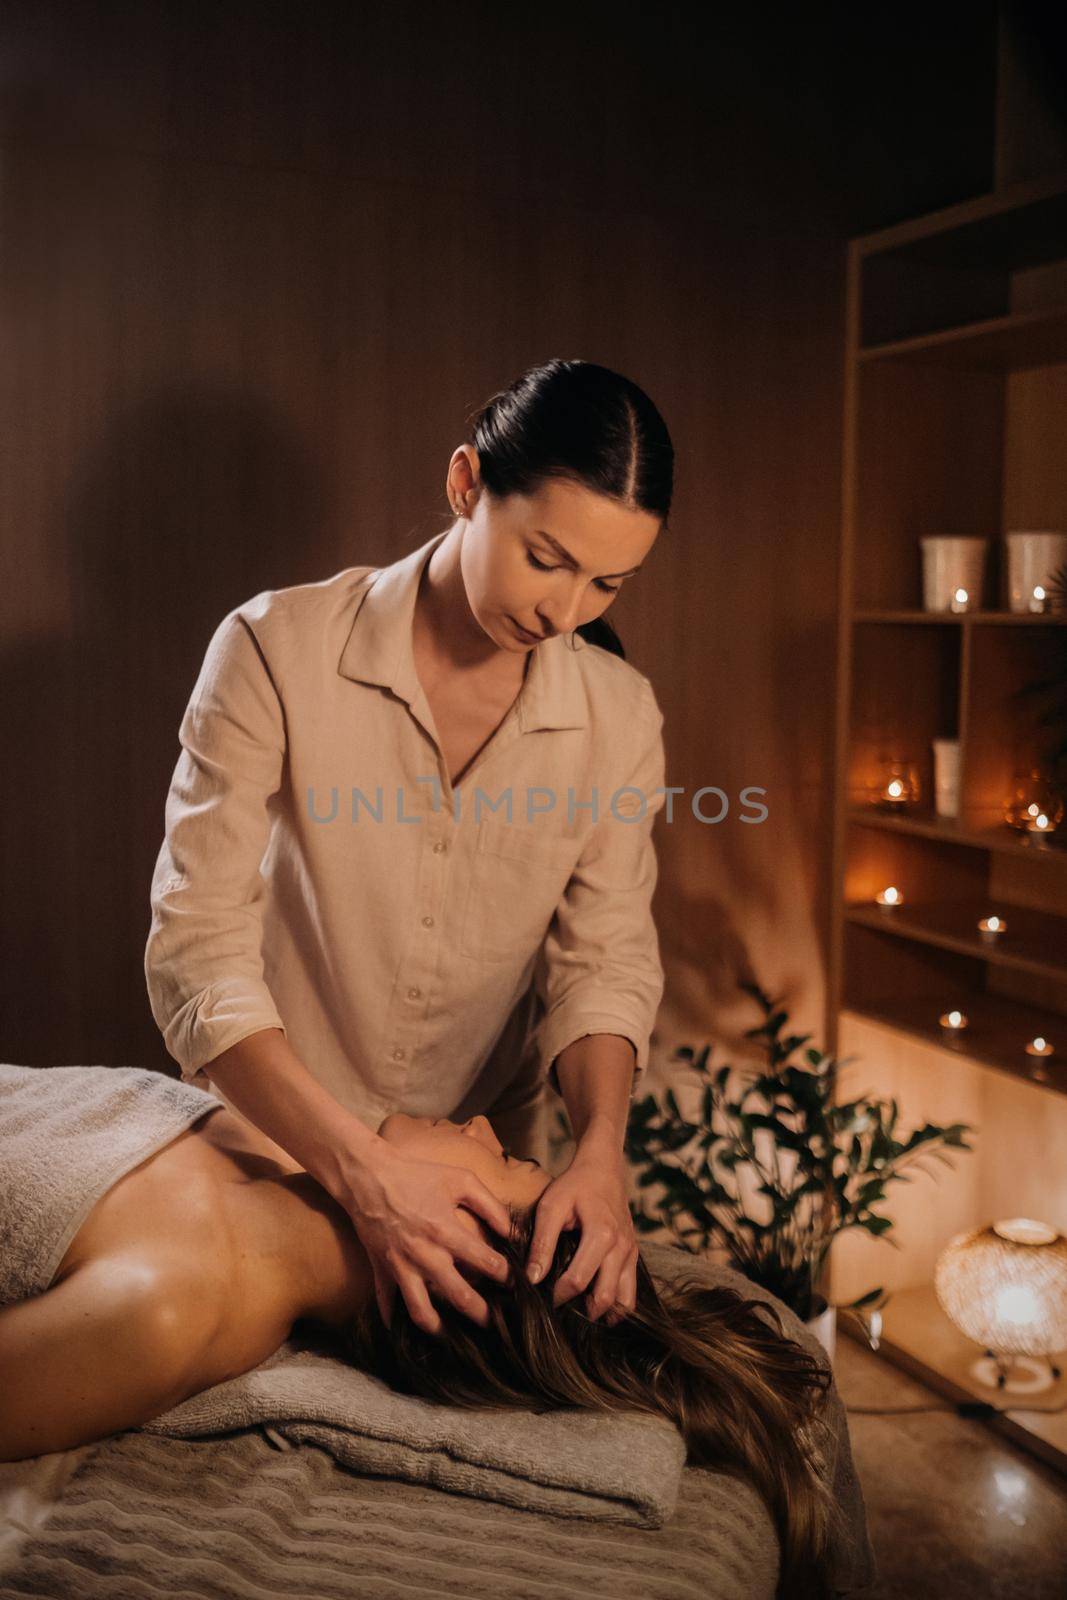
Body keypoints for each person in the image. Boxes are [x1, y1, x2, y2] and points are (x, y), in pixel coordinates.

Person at [144, 358, 674, 1341]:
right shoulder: (274, 649)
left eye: (606, 582)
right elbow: (196, 953)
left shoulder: (616, 714)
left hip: (474, 1204)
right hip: (270, 1158)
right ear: (466, 485)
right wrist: (362, 1174)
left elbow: (599, 960)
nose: (564, 614)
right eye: (546, 558)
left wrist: (599, 1152)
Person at [0, 1064, 838, 1600]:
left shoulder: (167, 1311)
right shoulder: (279, 1148)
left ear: (469, 1252)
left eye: (507, 1164)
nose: (480, 1126)